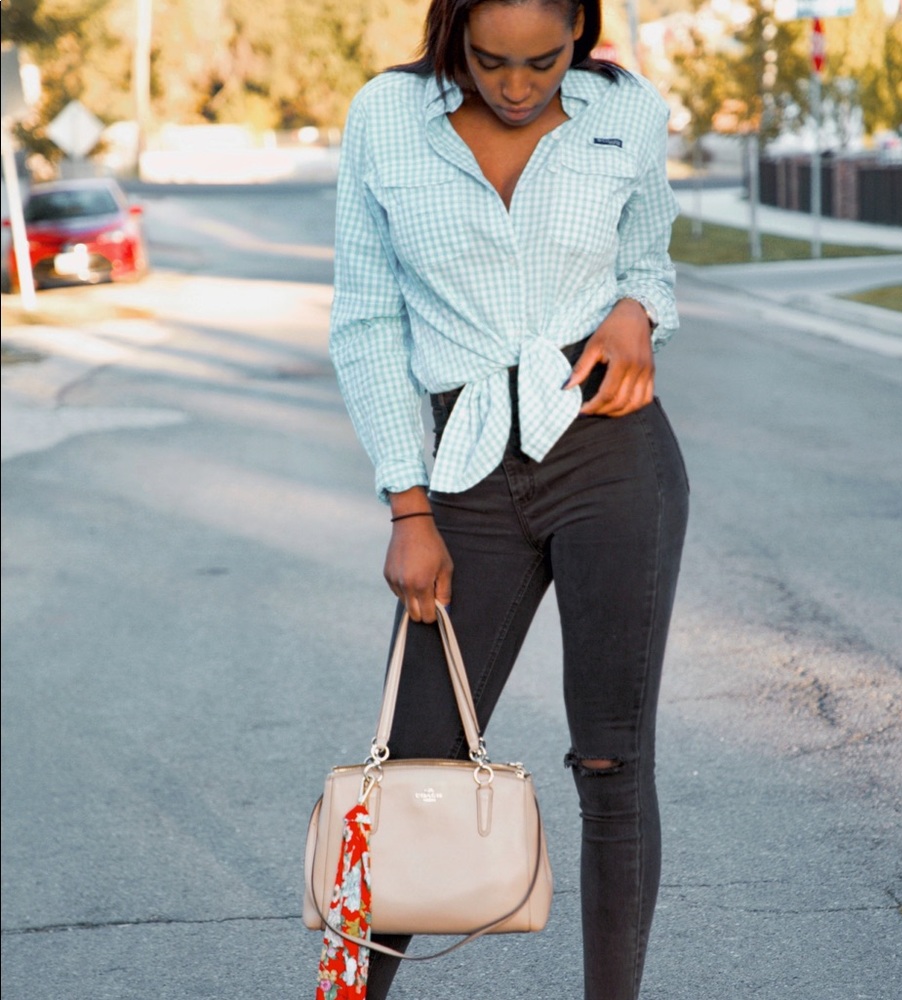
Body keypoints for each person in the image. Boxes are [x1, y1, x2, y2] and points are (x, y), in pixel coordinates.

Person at [327, 0, 689, 996]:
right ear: (454, 34)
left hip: (609, 455)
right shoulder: (386, 118)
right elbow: (365, 319)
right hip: (462, 471)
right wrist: (408, 509)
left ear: (581, 27)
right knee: (411, 767)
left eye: (545, 59)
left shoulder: (628, 113)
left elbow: (649, 259)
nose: (519, 85)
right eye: (492, 60)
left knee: (613, 765)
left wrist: (633, 311)